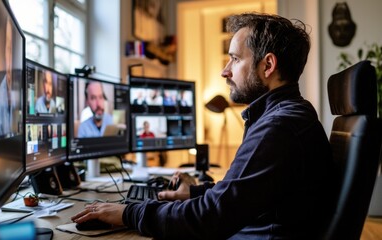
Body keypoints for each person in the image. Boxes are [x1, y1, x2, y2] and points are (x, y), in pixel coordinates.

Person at [71, 13, 337, 239]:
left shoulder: (278, 128)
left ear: (268, 65)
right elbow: (243, 196)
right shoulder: (292, 115)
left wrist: (129, 212)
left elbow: (210, 217)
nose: (225, 71)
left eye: (234, 59)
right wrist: (196, 191)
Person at [0, 18, 16, 136]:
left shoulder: (17, 90)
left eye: (11, 49)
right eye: (8, 49)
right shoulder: (2, 92)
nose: (10, 57)